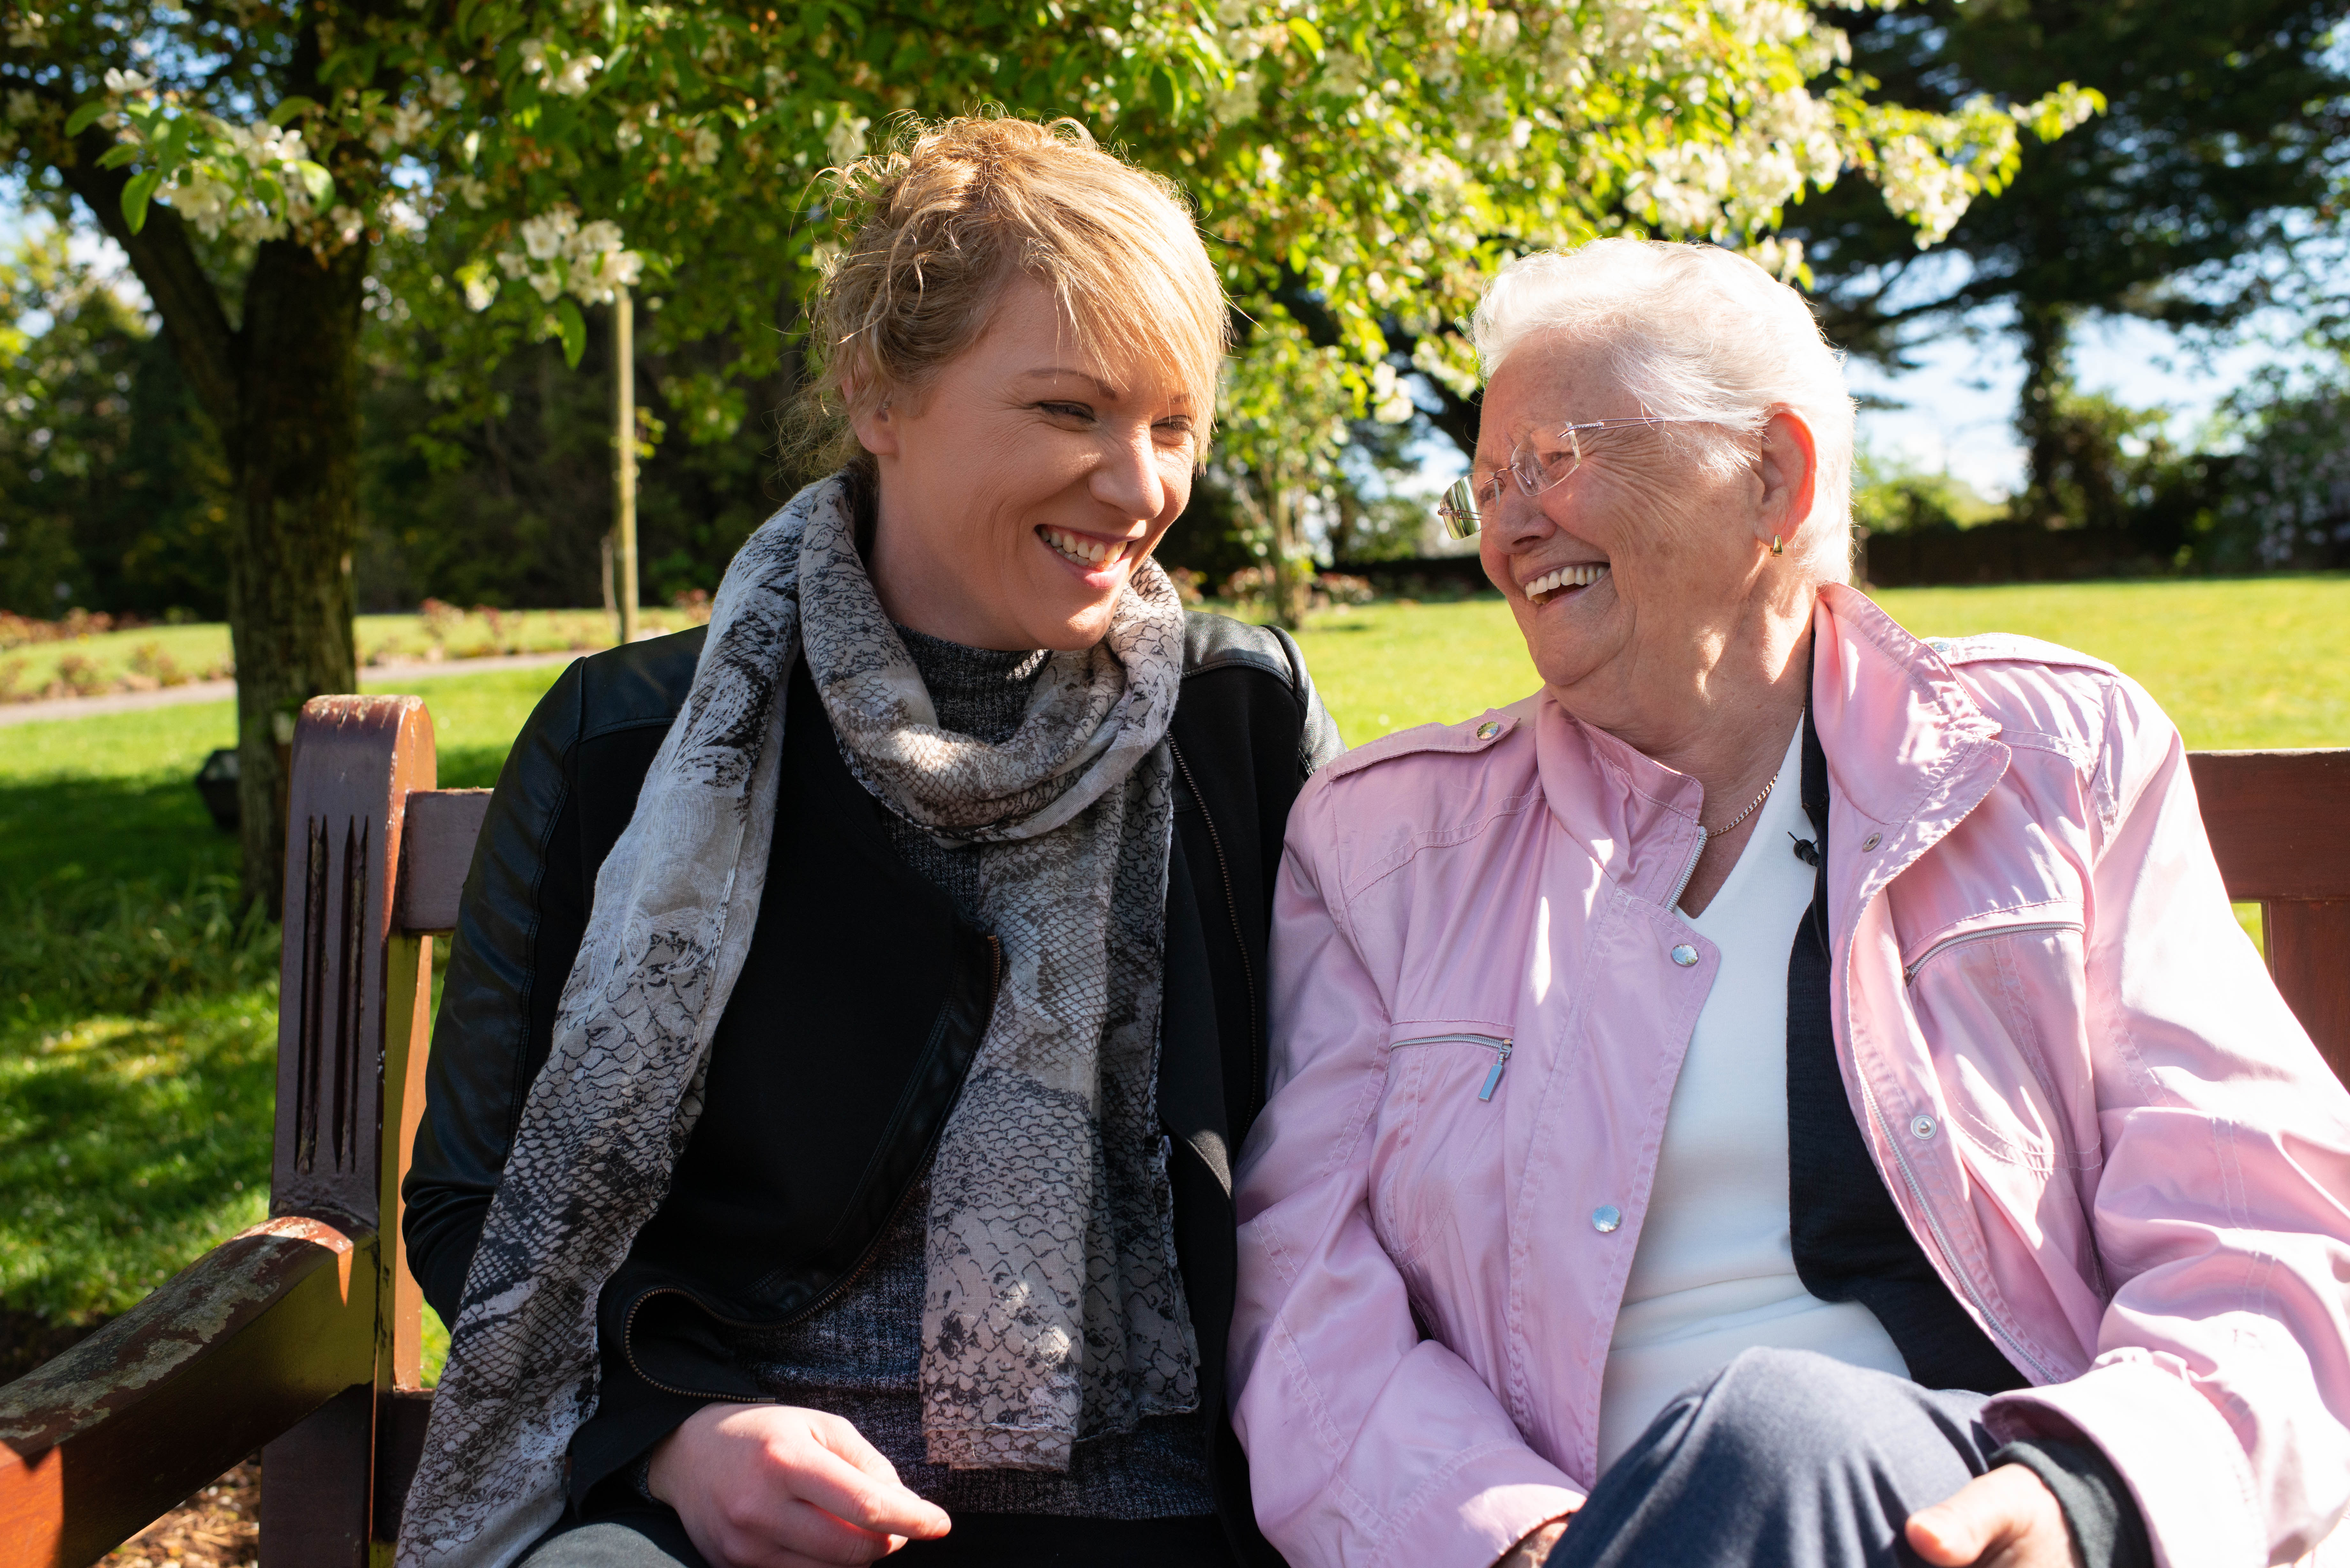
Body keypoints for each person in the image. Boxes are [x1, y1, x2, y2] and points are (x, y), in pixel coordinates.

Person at [1227, 238, 2350, 1568]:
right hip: (1588, 1542)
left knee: (1778, 1433)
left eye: (1554, 458)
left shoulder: (2050, 760)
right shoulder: (1385, 845)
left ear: (1775, 475)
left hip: (1964, 1504)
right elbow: (1303, 1298)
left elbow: (2263, 1223)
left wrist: (2084, 1489)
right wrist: (1509, 1534)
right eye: (1486, 484)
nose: (1505, 526)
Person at [394, 116, 1341, 1568]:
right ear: (876, 394)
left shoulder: (1238, 725)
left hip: (1160, 1517)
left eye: (1172, 423)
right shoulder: (628, 741)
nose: (1139, 483)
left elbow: (1374, 1160)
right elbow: (480, 1201)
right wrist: (678, 1434)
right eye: (1069, 410)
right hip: (739, 1520)